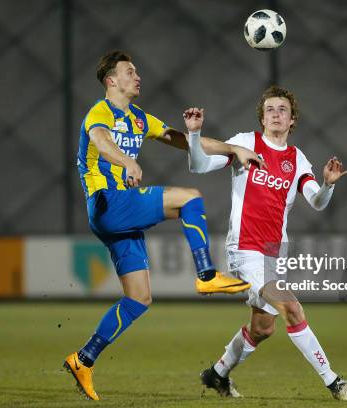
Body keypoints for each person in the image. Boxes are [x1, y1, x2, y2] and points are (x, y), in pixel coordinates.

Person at [63, 50, 262, 401]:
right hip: (108, 202)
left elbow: (183, 141)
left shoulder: (139, 118)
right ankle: (206, 276)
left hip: (116, 217)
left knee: (139, 298)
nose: (137, 75)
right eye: (129, 71)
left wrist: (232, 149)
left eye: (136, 70)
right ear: (111, 81)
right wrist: (125, 160)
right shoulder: (101, 112)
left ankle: (83, 359)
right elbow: (99, 140)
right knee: (189, 197)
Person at [184, 86, 347, 401]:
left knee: (263, 328)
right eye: (270, 109)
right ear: (262, 117)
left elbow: (317, 202)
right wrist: (195, 135)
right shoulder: (246, 143)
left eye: (282, 109)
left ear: (292, 119)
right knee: (292, 308)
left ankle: (216, 374)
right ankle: (335, 383)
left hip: (274, 254)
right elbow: (198, 166)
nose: (276, 114)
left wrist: (327, 185)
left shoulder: (296, 159)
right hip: (245, 250)